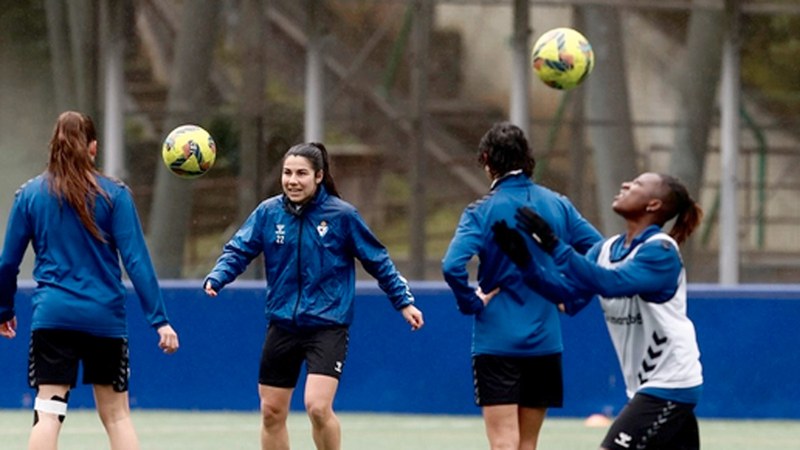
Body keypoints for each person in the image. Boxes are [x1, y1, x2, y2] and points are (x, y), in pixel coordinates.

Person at [203, 142, 424, 450]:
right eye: (287, 173)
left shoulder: (342, 216)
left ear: (319, 176)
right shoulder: (268, 213)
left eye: (301, 174)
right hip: (282, 325)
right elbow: (239, 249)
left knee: (317, 408)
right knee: (271, 412)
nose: (293, 180)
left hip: (327, 325)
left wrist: (404, 302)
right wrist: (218, 276)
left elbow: (378, 260)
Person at [0, 111, 179, 450]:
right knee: (117, 416)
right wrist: (160, 320)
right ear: (93, 148)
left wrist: (3, 308)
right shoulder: (116, 195)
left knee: (49, 410)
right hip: (104, 319)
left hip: (53, 316)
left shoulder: (29, 195)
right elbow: (137, 262)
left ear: (53, 146)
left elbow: (8, 262)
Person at [492, 171, 704, 450]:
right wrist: (525, 262)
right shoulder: (605, 250)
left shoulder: (661, 252)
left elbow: (611, 283)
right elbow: (567, 298)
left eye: (637, 184)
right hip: (646, 388)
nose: (626, 183)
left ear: (653, 205)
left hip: (670, 383)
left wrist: (555, 245)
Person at [441, 122, 602, 450]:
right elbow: (600, 252)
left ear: (487, 159)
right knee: (527, 444)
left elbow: (451, 266)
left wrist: (471, 302)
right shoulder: (558, 204)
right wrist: (566, 292)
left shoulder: (481, 211)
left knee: (503, 444)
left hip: (496, 341)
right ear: (528, 158)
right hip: (545, 340)